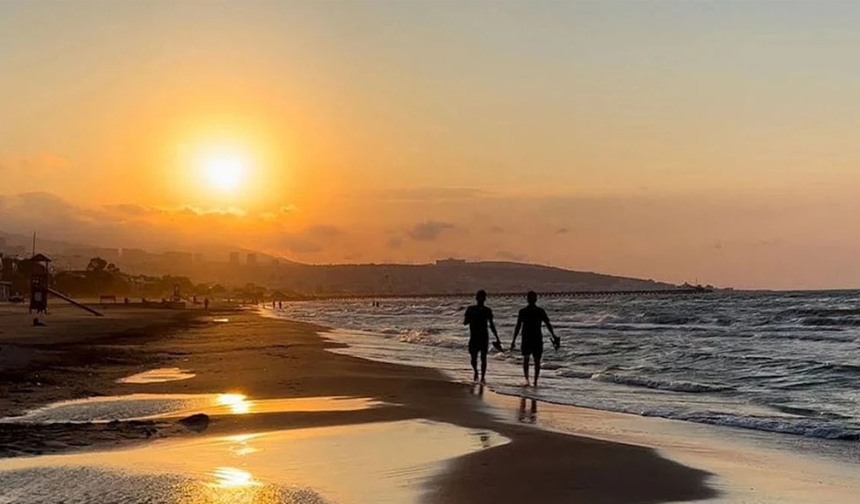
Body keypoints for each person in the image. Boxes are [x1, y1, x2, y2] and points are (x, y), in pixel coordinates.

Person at [511, 291, 558, 387]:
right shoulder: (524, 311)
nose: (532, 299)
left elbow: (548, 324)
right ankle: (528, 380)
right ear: (528, 299)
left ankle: (534, 381)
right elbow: (518, 326)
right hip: (528, 338)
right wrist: (513, 340)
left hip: (535, 338)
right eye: (531, 298)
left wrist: (553, 335)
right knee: (528, 359)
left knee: (535, 360)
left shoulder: (539, 311)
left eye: (533, 298)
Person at [463, 290, 501, 383]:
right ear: (476, 298)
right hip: (474, 336)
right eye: (480, 297)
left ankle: (483, 377)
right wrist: (472, 317)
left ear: (485, 299)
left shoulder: (487, 310)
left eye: (483, 297)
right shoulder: (471, 309)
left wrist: (497, 338)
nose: (481, 299)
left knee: (483, 358)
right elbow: (465, 322)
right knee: (473, 358)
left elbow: (491, 325)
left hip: (484, 337)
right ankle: (476, 371)